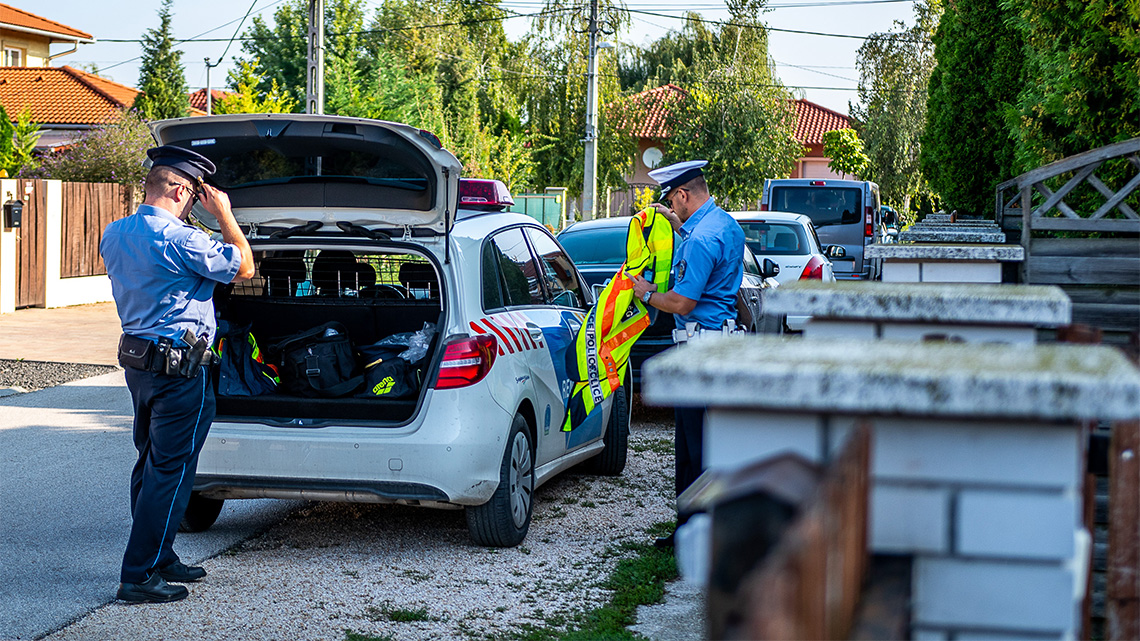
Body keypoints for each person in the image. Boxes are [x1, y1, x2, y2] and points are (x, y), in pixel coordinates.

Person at [101, 145, 254, 603]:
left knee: (153, 462)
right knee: (169, 470)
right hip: (179, 370)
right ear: (181, 190)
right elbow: (244, 265)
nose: (195, 206)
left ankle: (161, 554)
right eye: (194, 197)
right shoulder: (184, 241)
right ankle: (138, 574)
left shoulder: (115, 233)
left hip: (141, 366)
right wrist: (224, 215)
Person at [628, 160, 745, 548]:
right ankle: (712, 525)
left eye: (672, 201)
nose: (671, 208)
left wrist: (644, 292)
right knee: (713, 442)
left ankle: (694, 532)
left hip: (698, 348)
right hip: (721, 343)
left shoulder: (698, 240)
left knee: (694, 448)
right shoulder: (725, 225)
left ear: (683, 195)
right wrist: (676, 225)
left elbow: (681, 302)